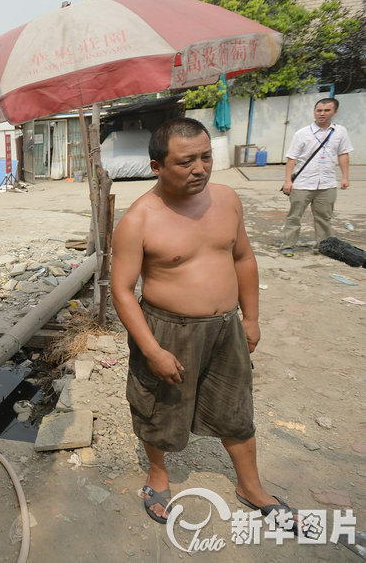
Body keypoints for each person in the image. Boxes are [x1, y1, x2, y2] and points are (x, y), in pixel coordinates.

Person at [110, 118, 296, 529]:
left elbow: (243, 258)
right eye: (185, 161)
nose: (200, 169)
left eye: (206, 157)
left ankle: (251, 486)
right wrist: (152, 350)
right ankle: (158, 474)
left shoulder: (227, 199)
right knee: (159, 407)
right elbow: (121, 291)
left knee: (236, 406)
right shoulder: (139, 219)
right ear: (157, 166)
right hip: (168, 330)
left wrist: (251, 318)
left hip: (226, 328)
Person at [280, 97, 353, 257]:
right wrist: (288, 181)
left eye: (327, 110)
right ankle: (288, 245)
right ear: (314, 112)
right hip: (303, 183)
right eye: (319, 110)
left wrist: (345, 177)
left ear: (335, 112)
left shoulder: (340, 132)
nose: (322, 113)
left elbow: (343, 154)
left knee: (324, 218)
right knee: (294, 216)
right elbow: (291, 158)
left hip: (327, 183)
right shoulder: (302, 134)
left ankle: (323, 247)